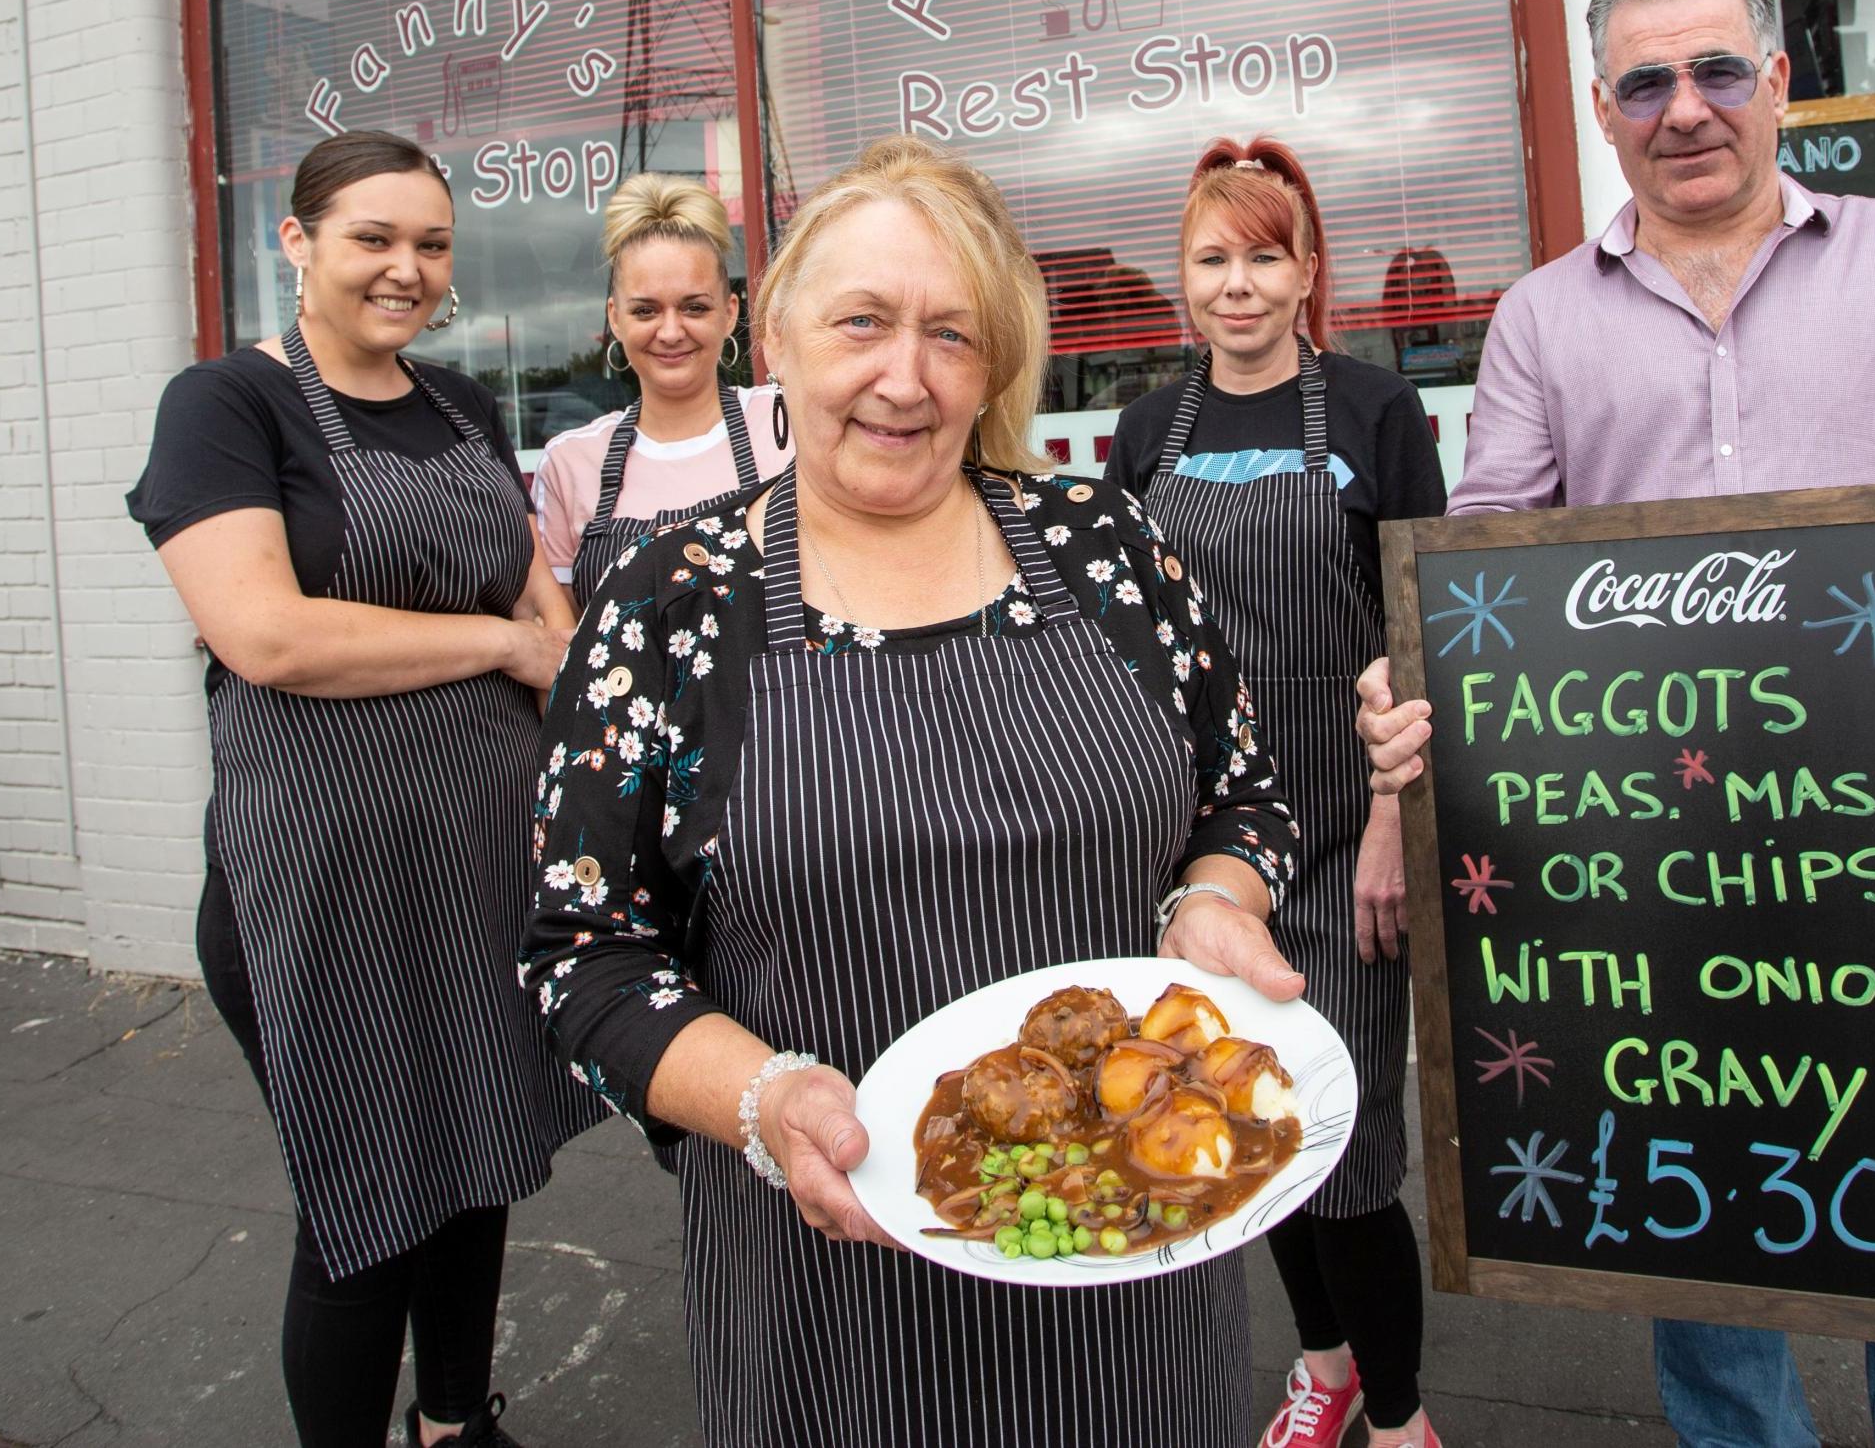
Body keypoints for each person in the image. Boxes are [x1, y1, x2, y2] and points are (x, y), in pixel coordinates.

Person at [1352, 0, 1875, 1448]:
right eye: (1643, 82)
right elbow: (1488, 555)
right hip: (1656, 861)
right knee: (1696, 1227)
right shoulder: (1542, 321)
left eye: (1711, 73)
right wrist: (1414, 681)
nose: (1681, 111)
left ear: (1773, 83)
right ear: (1599, 109)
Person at [519, 134, 1307, 1447]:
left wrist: (1217, 896)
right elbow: (583, 956)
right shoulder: (667, 606)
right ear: (772, 336)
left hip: (1131, 1247)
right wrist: (760, 1099)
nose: (903, 375)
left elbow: (1241, 794)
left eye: (950, 334)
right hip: (825, 1295)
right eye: (862, 322)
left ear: (994, 362)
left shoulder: (1103, 547)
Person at [126, 130, 603, 1448]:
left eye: (431, 244)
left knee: (476, 1160)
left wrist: (561, 668)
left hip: (480, 869)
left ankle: (454, 1420)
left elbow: (533, 591)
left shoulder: (451, 400)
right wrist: (500, 648)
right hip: (327, 892)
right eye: (373, 239)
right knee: (366, 1199)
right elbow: (267, 636)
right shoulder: (226, 405)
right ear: (297, 242)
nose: (407, 268)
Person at [1107, 137, 1448, 1448]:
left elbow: (1420, 633)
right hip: (1202, 843)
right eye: (1212, 259)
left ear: (1306, 269)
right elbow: (1127, 638)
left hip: (1345, 819)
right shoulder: (1147, 431)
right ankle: (1325, 1364)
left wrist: (1388, 824)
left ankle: (1402, 1413)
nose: (1237, 284)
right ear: (1184, 283)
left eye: (1264, 255)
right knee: (1251, 1128)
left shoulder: (1372, 411)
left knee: (1349, 1154)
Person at [532, 172, 791, 607]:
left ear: (729, 313)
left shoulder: (785, 422)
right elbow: (566, 636)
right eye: (646, 310)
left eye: (694, 307)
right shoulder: (570, 461)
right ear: (615, 318)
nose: (670, 332)